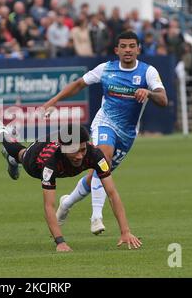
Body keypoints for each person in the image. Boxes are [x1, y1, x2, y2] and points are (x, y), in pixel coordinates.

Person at [41, 30, 168, 235]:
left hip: (127, 134)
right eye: (123, 46)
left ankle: (67, 203)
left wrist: (149, 93)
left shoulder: (148, 72)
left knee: (97, 175)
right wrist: (53, 101)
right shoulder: (106, 69)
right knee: (103, 160)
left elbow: (163, 100)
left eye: (132, 46)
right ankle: (96, 217)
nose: (128, 50)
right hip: (104, 122)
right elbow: (79, 84)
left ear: (138, 49)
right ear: (116, 50)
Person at [0, 122, 141, 252]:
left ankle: (11, 157)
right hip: (35, 162)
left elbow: (112, 193)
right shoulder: (49, 162)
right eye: (74, 150)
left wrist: (125, 231)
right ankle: (3, 134)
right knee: (20, 152)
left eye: (82, 150)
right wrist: (60, 242)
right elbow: (49, 206)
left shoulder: (95, 155)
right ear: (63, 147)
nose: (79, 156)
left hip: (58, 142)